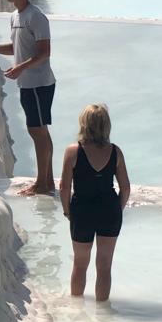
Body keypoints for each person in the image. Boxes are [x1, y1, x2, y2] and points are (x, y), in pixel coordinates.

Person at [0, 0, 56, 195]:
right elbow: (15, 49)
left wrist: (20, 68)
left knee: (38, 131)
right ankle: (47, 181)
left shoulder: (36, 16)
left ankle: (42, 183)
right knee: (38, 131)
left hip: (39, 83)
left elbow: (45, 52)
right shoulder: (16, 17)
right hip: (27, 83)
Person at [59, 104, 130, 302]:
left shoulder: (73, 151)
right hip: (109, 211)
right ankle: (103, 314)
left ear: (84, 124)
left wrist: (67, 212)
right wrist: (118, 209)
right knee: (105, 265)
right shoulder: (115, 152)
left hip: (82, 211)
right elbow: (125, 188)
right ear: (106, 125)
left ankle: (76, 311)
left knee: (80, 264)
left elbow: (64, 187)